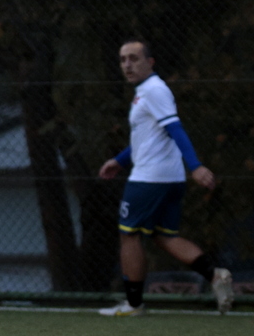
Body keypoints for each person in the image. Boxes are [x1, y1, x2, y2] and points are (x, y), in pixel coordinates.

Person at [97, 37, 233, 316]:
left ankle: (134, 304)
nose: (127, 65)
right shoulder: (145, 92)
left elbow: (176, 130)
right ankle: (215, 275)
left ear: (150, 62)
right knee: (164, 236)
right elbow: (148, 137)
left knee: (129, 235)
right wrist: (120, 161)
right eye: (123, 59)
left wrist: (196, 166)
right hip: (169, 178)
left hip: (150, 179)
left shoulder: (153, 90)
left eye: (134, 58)